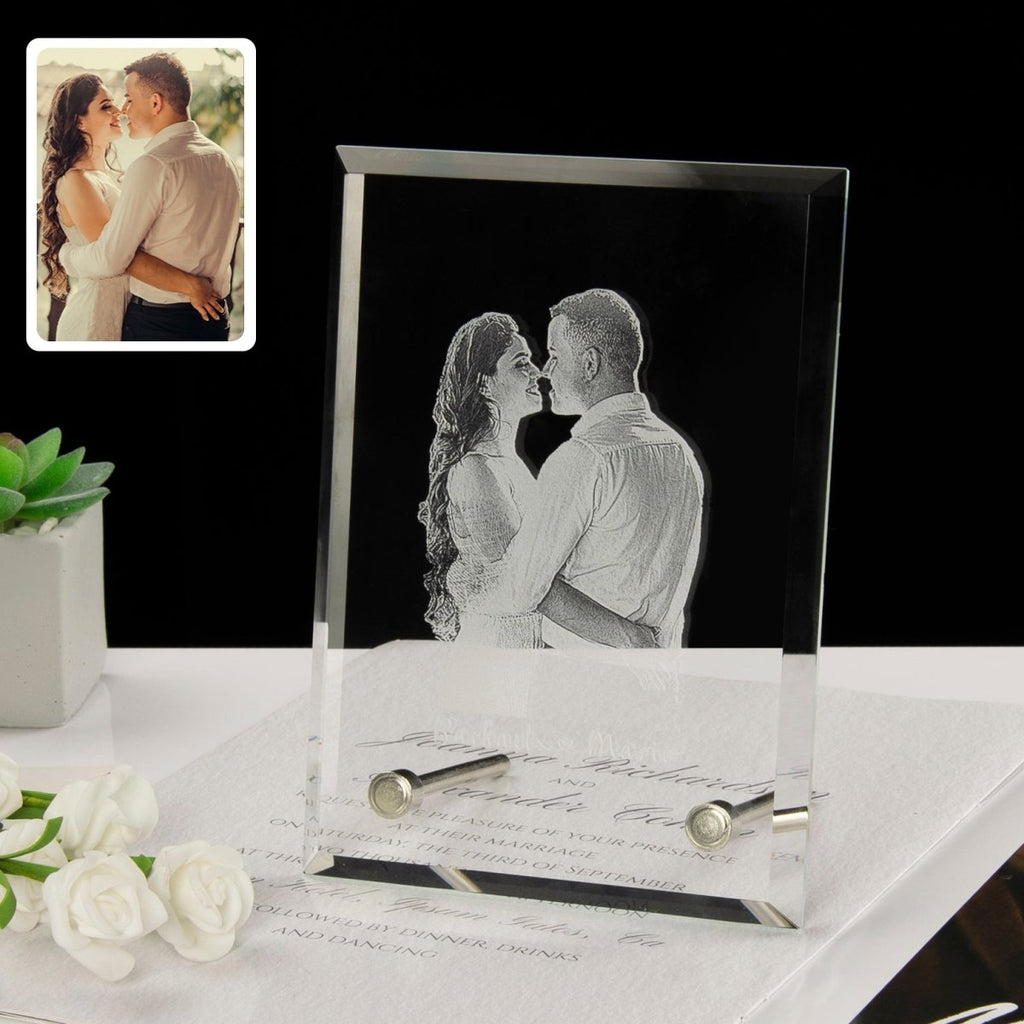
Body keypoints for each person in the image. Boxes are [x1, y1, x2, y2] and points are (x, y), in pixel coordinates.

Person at [418, 312, 656, 648]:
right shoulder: (475, 470)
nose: (538, 372)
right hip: (494, 657)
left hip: (527, 655)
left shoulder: (510, 464)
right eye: (521, 364)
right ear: (485, 383)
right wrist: (627, 636)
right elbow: (524, 585)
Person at [504, 288, 707, 647]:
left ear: (590, 364)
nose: (546, 371)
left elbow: (522, 587)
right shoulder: (681, 453)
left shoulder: (582, 459)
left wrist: (629, 639)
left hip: (585, 685)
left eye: (553, 355)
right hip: (660, 681)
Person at [58, 54, 240, 341]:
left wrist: (66, 256)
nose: (123, 109)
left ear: (156, 103)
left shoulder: (154, 165)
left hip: (160, 323)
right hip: (215, 317)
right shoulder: (221, 158)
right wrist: (192, 285)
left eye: (128, 99)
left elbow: (112, 257)